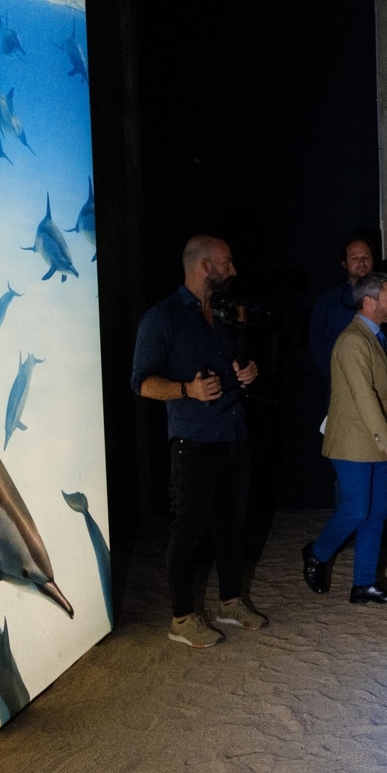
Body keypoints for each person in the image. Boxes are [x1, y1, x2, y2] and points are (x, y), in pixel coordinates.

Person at [131, 235, 264, 649]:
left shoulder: (217, 318)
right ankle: (182, 617)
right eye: (227, 263)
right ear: (205, 266)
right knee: (188, 532)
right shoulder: (162, 318)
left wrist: (246, 372)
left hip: (232, 435)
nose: (233, 270)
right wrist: (186, 391)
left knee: (231, 527)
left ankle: (229, 600)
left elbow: (231, 368)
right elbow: (141, 383)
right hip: (193, 440)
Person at [301, 272, 387, 605]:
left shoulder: (375, 336)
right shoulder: (352, 341)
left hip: (373, 440)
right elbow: (364, 395)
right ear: (370, 301)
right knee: (355, 509)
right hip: (352, 441)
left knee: (377, 512)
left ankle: (364, 583)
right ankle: (317, 553)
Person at [309, 237, 375, 385]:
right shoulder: (329, 302)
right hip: (342, 381)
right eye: (354, 258)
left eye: (366, 257)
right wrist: (334, 375)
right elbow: (317, 343)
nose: (362, 263)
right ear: (344, 263)